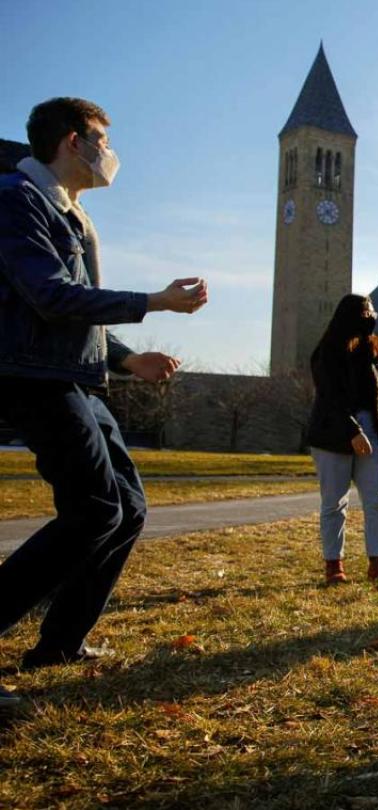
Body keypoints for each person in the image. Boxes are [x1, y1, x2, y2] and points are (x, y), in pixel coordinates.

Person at [0, 97, 207, 707]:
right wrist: (154, 302)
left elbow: (69, 307)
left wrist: (123, 358)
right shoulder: (16, 201)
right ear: (71, 141)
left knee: (129, 507)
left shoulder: (68, 211)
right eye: (99, 139)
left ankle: (60, 641)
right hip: (34, 377)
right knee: (93, 510)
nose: (108, 153)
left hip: (77, 375)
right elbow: (48, 296)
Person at [306, 294, 378, 585]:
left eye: (372, 311)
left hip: (372, 432)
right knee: (335, 503)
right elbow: (329, 398)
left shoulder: (377, 351)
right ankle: (333, 567)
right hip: (332, 434)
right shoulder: (328, 350)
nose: (371, 317)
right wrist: (352, 432)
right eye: (365, 312)